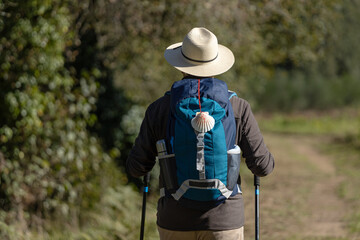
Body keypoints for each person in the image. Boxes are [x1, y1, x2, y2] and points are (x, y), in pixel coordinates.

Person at [126, 27, 274, 240]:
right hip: (224, 222)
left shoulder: (159, 109)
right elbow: (263, 166)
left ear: (181, 66)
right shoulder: (238, 108)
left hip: (174, 221)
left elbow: (136, 168)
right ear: (216, 64)